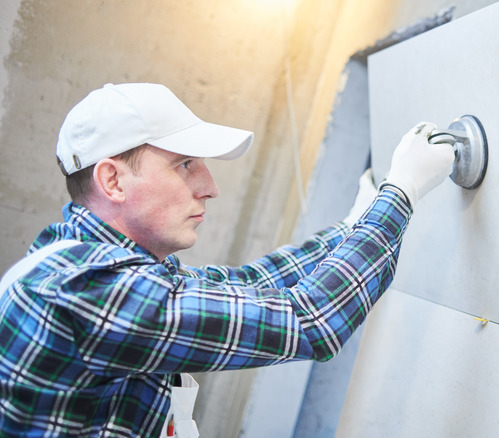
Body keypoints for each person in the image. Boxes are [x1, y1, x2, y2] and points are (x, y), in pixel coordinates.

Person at [0, 83, 454, 437]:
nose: (210, 186)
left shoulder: (84, 268)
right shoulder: (85, 291)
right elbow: (313, 320)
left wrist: (354, 223)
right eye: (184, 164)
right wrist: (402, 192)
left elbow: (249, 284)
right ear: (113, 181)